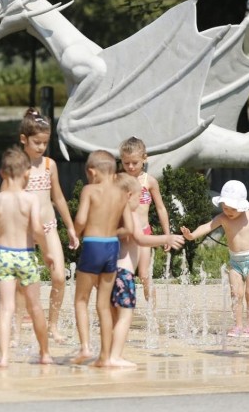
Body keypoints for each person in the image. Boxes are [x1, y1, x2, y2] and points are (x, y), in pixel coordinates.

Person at [0, 147, 55, 367]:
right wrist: (47, 251)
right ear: (26, 174)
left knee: (5, 308)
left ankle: (3, 357)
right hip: (25, 255)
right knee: (34, 307)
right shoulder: (30, 200)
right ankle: (44, 353)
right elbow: (36, 229)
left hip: (4, 254)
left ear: (2, 174)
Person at [110, 173, 184, 367]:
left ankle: (106, 353)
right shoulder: (130, 216)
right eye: (138, 197)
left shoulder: (113, 214)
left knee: (112, 316)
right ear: (128, 196)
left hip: (109, 272)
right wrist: (166, 238)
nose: (140, 201)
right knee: (125, 316)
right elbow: (140, 239)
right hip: (124, 274)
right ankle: (114, 357)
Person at [18, 107, 78, 341]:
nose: (41, 147)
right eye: (37, 142)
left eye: (45, 142)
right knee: (22, 280)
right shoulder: (18, 166)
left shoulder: (49, 165)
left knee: (59, 277)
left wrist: (71, 228)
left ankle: (53, 325)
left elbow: (59, 197)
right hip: (23, 230)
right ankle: (17, 325)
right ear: (24, 139)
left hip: (48, 226)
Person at [72, 150, 134, 366]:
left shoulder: (90, 190)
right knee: (104, 305)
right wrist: (111, 233)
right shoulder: (121, 193)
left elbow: (80, 219)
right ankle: (105, 357)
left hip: (92, 245)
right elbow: (130, 228)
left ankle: (85, 348)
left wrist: (75, 233)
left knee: (81, 299)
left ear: (92, 171)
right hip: (112, 248)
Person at [182, 180, 249, 338]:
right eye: (225, 207)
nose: (229, 211)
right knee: (235, 293)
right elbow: (207, 226)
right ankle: (238, 326)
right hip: (235, 262)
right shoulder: (223, 218)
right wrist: (191, 236)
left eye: (233, 208)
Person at [118, 137, 170, 304]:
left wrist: (167, 233)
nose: (131, 167)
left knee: (144, 275)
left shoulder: (150, 181)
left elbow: (161, 208)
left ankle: (151, 315)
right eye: (126, 163)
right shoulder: (119, 181)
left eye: (134, 162)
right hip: (124, 235)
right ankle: (121, 310)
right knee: (122, 274)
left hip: (144, 234)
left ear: (144, 158)